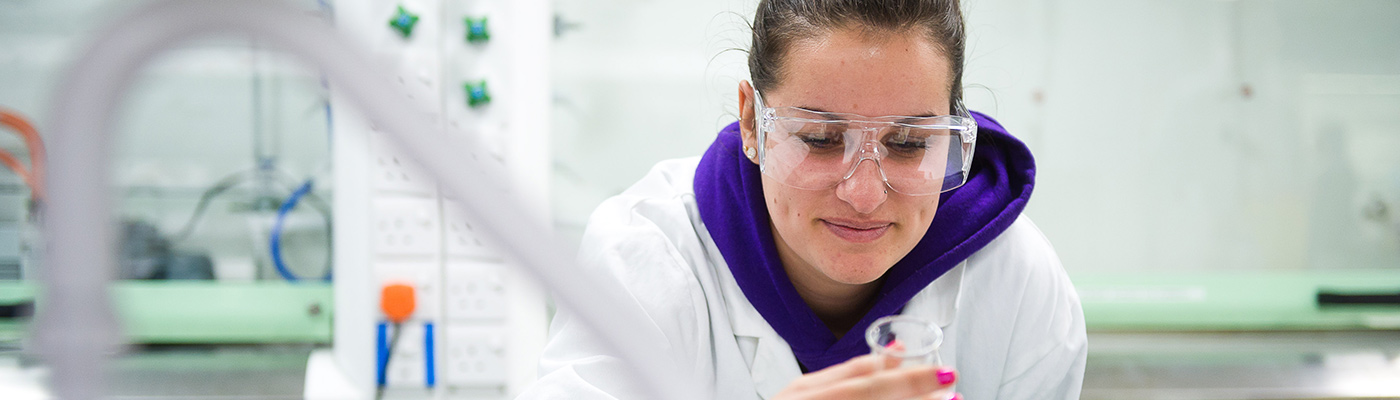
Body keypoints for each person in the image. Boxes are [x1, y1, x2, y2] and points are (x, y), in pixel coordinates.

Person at [519, 0, 1086, 398]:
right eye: (820, 139)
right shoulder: (648, 260)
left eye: (910, 143)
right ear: (750, 121)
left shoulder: (1015, 284)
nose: (864, 194)